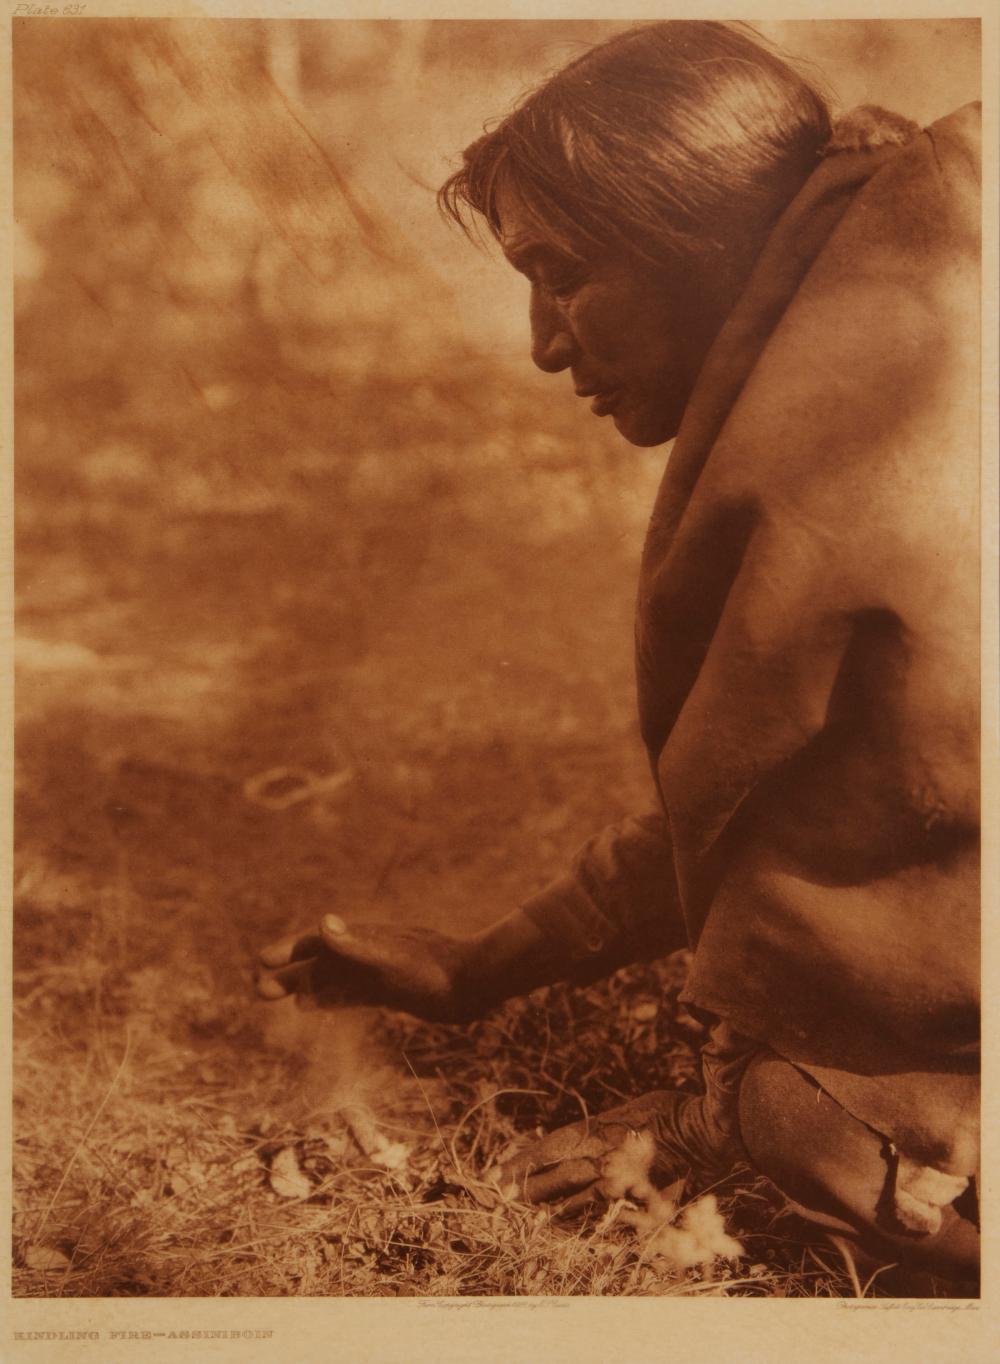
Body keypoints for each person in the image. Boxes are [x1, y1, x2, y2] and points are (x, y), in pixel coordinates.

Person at [257, 22, 980, 1280]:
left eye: (568, 274)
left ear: (707, 245)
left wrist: (719, 1118)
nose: (544, 345)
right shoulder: (881, 367)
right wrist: (483, 960)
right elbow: (791, 791)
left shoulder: (894, 453)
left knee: (803, 1110)